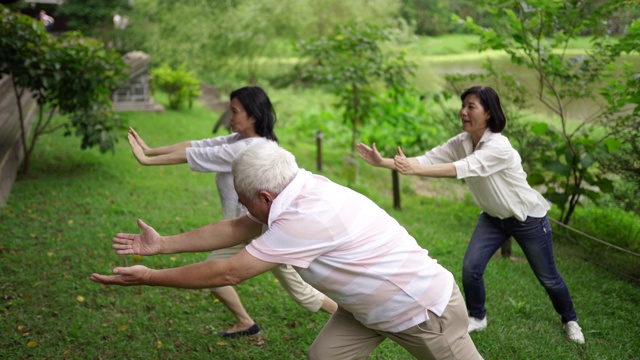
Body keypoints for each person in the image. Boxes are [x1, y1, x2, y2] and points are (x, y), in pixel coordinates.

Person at [90, 141, 483, 360]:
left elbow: (229, 273)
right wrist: (162, 246)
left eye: (245, 201)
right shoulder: (296, 186)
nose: (244, 210)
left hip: (422, 311)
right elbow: (237, 227)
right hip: (367, 308)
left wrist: (150, 278)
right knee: (325, 356)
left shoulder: (304, 217)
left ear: (264, 195)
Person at [356, 85, 585, 344]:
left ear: (488, 113)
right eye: (463, 105)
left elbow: (461, 168)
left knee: (548, 277)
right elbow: (428, 159)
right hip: (492, 218)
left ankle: (570, 320)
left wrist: (411, 170)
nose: (463, 111)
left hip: (527, 219)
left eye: (471, 107)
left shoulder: (499, 146)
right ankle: (478, 317)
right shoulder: (463, 141)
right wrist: (382, 162)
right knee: (471, 268)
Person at [127, 86, 337, 338]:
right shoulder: (240, 140)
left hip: (265, 231)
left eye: (236, 111)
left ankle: (354, 316)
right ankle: (245, 322)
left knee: (302, 293)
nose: (230, 116)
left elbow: (196, 155)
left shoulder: (250, 150)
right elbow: (197, 144)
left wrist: (148, 161)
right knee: (214, 273)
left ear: (254, 116)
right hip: (243, 228)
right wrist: (150, 150)